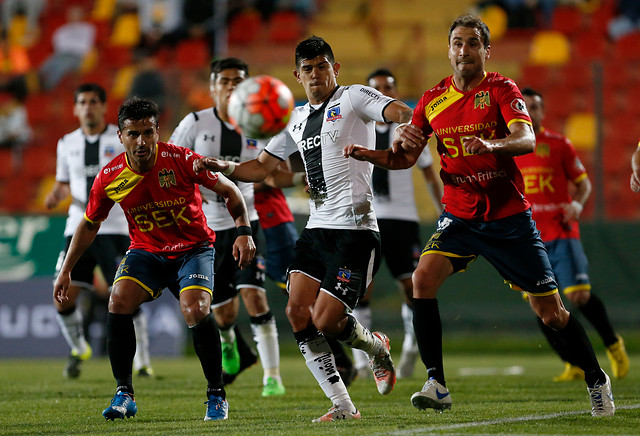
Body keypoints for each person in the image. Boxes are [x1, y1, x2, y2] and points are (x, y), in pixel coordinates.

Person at [343, 14, 615, 417]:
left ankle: (596, 378)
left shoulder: (503, 89)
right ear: (448, 49)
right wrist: (368, 154)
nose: (463, 50)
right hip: (460, 215)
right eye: (457, 42)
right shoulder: (433, 100)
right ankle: (436, 382)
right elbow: (404, 159)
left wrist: (489, 142)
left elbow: (526, 138)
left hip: (508, 218)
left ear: (486, 50)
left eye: (473, 43)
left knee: (553, 314)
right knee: (422, 278)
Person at [193, 35, 414, 422]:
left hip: (356, 229)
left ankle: (377, 348)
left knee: (327, 320)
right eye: (308, 69)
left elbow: (395, 109)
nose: (316, 75)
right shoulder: (292, 119)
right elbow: (260, 168)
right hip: (316, 229)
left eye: (322, 66)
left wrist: (406, 119)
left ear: (335, 67)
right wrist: (223, 167)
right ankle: (343, 406)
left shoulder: (354, 97)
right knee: (297, 313)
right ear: (297, 75)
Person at [53, 98, 255, 421]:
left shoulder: (181, 160)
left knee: (196, 309)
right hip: (146, 252)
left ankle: (217, 395)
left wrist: (243, 230)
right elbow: (89, 224)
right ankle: (124, 393)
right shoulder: (110, 176)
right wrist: (66, 269)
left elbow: (231, 190)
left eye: (148, 132)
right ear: (120, 136)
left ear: (158, 132)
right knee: (118, 300)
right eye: (133, 134)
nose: (142, 141)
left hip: (193, 249)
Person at [170, 57, 287, 397]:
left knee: (256, 299)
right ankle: (231, 346)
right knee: (223, 314)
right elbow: (175, 164)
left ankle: (272, 377)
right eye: (225, 81)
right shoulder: (194, 122)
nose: (231, 86)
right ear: (213, 87)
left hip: (246, 224)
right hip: (206, 232)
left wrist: (296, 177)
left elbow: (269, 168)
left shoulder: (261, 122)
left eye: (238, 80)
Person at [516, 87, 629, 381]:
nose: (530, 111)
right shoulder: (511, 147)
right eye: (524, 106)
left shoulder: (559, 144)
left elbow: (584, 184)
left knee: (579, 296)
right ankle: (573, 362)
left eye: (535, 106)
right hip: (529, 237)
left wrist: (577, 204)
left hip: (562, 232)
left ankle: (613, 345)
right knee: (540, 304)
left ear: (542, 111)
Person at [44, 83, 152, 379]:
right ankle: (80, 347)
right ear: (76, 108)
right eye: (82, 102)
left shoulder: (121, 138)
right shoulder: (66, 143)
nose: (88, 107)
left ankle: (142, 360)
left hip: (117, 226)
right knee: (62, 297)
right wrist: (56, 194)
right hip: (78, 224)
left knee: (129, 293)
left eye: (94, 101)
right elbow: (64, 180)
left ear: (103, 106)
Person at [349, 68, 443, 380]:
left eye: (388, 87)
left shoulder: (409, 131)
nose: (382, 93)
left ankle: (411, 350)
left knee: (412, 287)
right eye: (376, 89)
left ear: (395, 91)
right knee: (361, 289)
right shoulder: (355, 130)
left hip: (403, 218)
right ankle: (363, 361)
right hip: (367, 218)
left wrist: (444, 207)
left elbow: (430, 172)